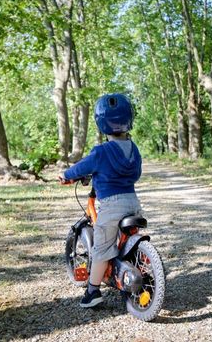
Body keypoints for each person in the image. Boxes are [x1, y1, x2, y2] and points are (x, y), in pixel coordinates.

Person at [60, 93, 142, 308]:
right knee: (125, 239)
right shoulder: (134, 149)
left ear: (100, 123)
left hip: (112, 205)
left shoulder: (101, 151)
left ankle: (93, 291)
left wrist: (66, 175)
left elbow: (82, 167)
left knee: (101, 249)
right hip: (133, 201)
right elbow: (136, 174)